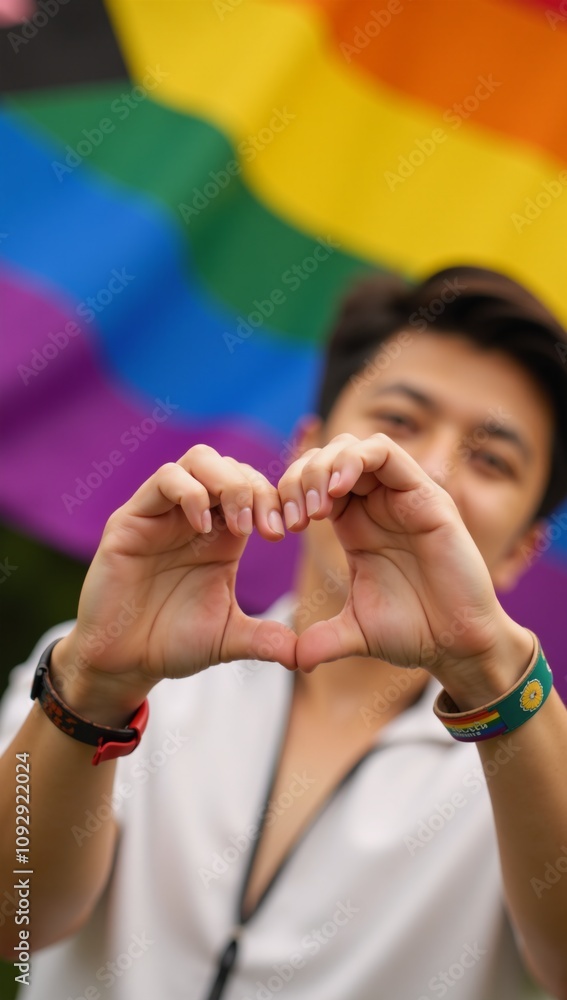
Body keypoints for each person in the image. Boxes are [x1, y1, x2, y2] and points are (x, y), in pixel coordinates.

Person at [1, 264, 567, 1000]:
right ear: (305, 450)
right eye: (398, 420)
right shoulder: (99, 664)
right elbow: (14, 921)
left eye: (490, 459)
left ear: (521, 549)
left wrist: (488, 665)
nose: (425, 471)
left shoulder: (536, 757)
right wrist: (92, 689)